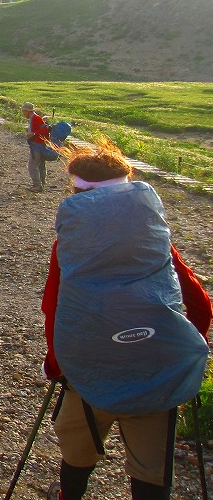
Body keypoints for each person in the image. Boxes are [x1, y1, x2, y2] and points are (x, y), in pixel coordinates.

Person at [41, 139, 211, 500]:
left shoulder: (69, 246)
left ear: (77, 193)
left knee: (77, 457)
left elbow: (55, 310)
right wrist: (176, 351)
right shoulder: (154, 240)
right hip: (157, 373)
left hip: (89, 374)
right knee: (152, 476)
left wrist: (58, 366)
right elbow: (200, 307)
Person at [22, 101, 49, 191]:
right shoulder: (35, 117)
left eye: (23, 111)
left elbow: (45, 129)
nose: (23, 113)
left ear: (27, 111)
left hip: (37, 145)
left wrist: (33, 134)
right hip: (40, 144)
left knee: (32, 166)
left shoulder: (36, 118)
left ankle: (37, 185)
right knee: (41, 165)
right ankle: (42, 184)